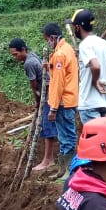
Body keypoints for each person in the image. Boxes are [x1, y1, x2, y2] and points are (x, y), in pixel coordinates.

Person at [8, 38, 57, 171]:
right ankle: (49, 158)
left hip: (46, 96)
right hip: (49, 93)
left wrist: (37, 101)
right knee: (47, 126)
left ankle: (48, 160)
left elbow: (34, 85)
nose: (14, 57)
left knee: (47, 127)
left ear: (23, 50)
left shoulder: (29, 63)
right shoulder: (33, 56)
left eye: (15, 54)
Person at [43, 22, 78, 173]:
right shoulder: (68, 48)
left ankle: (69, 170)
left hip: (63, 103)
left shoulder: (59, 54)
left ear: (52, 37)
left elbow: (58, 83)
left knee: (66, 138)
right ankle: (64, 170)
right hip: (70, 99)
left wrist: (53, 108)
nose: (47, 43)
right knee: (66, 137)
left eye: (47, 40)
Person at [70, 9, 106, 126]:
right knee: (103, 140)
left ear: (78, 27)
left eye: (74, 27)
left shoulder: (85, 44)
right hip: (103, 102)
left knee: (95, 142)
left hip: (89, 102)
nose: (74, 30)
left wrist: (95, 81)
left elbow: (95, 66)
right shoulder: (103, 43)